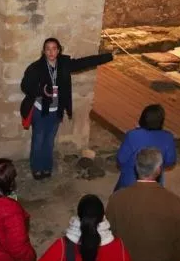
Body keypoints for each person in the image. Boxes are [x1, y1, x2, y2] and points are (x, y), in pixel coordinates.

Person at [20, 38, 113, 180]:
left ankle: (46, 167)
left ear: (58, 50)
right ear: (44, 51)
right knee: (38, 140)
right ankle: (36, 168)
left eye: (54, 48)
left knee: (50, 141)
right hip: (40, 111)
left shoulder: (64, 64)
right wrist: (40, 91)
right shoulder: (36, 67)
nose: (51, 52)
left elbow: (86, 62)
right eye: (48, 49)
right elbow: (25, 86)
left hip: (56, 111)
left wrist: (109, 56)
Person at [114, 104, 176, 190]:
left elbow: (121, 159)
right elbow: (170, 161)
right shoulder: (168, 137)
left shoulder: (132, 135)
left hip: (129, 182)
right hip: (154, 182)